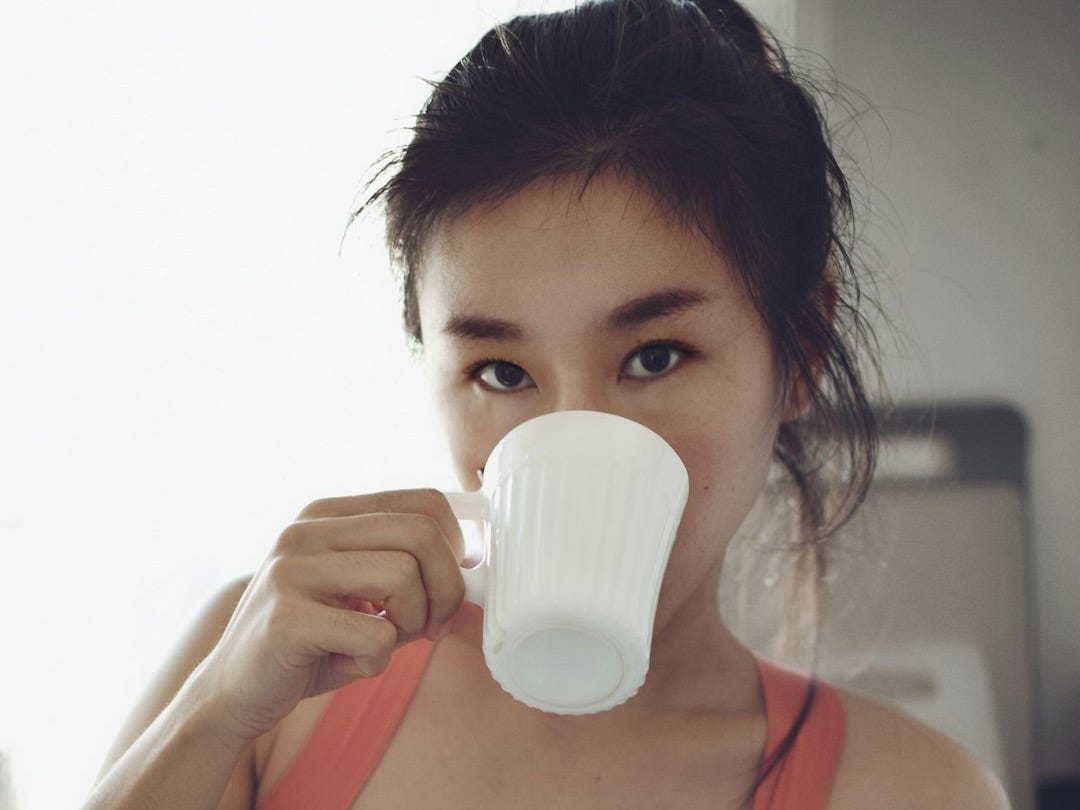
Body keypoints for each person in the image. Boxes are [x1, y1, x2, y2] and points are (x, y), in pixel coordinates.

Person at [85, 1, 1010, 808]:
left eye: (655, 355)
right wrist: (213, 716)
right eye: (500, 371)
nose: (573, 432)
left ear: (800, 350)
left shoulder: (914, 790)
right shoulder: (267, 683)